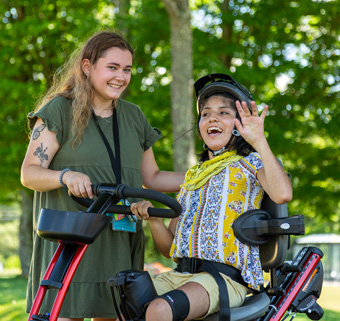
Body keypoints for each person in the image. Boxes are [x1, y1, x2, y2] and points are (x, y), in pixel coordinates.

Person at [21, 30, 184, 321]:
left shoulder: (134, 117)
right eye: (112, 67)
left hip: (120, 243)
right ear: (87, 67)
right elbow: (29, 173)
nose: (121, 77)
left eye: (127, 69)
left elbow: (154, 178)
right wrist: (65, 176)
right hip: (71, 244)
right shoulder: (59, 109)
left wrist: (202, 175)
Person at [130, 73, 293, 321]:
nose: (212, 117)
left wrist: (259, 140)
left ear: (240, 127)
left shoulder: (250, 164)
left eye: (224, 113)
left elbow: (282, 194)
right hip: (181, 275)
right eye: (206, 113)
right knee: (120, 308)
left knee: (159, 309)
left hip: (224, 279)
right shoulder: (193, 178)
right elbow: (168, 248)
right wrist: (153, 219)